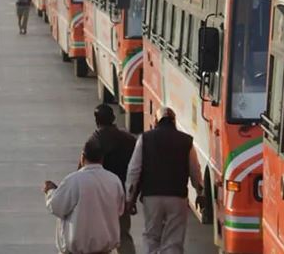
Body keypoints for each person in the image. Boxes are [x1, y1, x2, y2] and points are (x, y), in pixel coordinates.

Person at [126, 107, 204, 254]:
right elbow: (195, 170)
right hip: (177, 197)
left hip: (152, 196)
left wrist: (130, 198)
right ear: (174, 121)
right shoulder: (186, 141)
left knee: (151, 236)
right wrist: (200, 192)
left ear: (156, 121)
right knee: (173, 240)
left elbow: (134, 170)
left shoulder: (145, 139)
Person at [44, 138, 125, 254]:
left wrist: (50, 191)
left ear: (82, 157)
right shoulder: (114, 180)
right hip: (105, 249)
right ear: (102, 159)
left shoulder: (73, 180)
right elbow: (119, 210)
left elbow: (56, 206)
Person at [83, 104, 137, 254]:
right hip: (122, 194)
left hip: (98, 196)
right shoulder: (129, 139)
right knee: (123, 235)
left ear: (96, 120)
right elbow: (137, 169)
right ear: (113, 118)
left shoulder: (93, 141)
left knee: (98, 237)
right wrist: (133, 197)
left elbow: (83, 171)